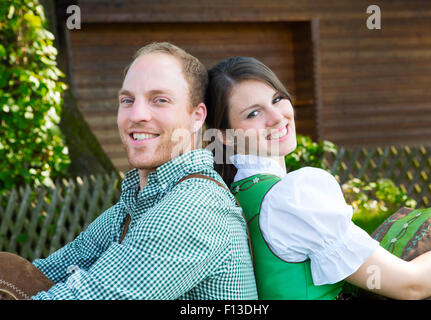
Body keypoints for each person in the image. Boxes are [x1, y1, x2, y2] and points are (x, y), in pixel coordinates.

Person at [9, 43, 258, 300]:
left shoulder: (194, 206)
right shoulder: (130, 208)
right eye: (127, 100)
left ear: (197, 117)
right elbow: (45, 274)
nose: (136, 114)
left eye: (159, 100)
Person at [204, 56, 431, 300]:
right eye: (253, 113)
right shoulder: (292, 197)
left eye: (277, 99)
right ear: (225, 136)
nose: (277, 116)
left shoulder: (237, 194)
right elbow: (412, 284)